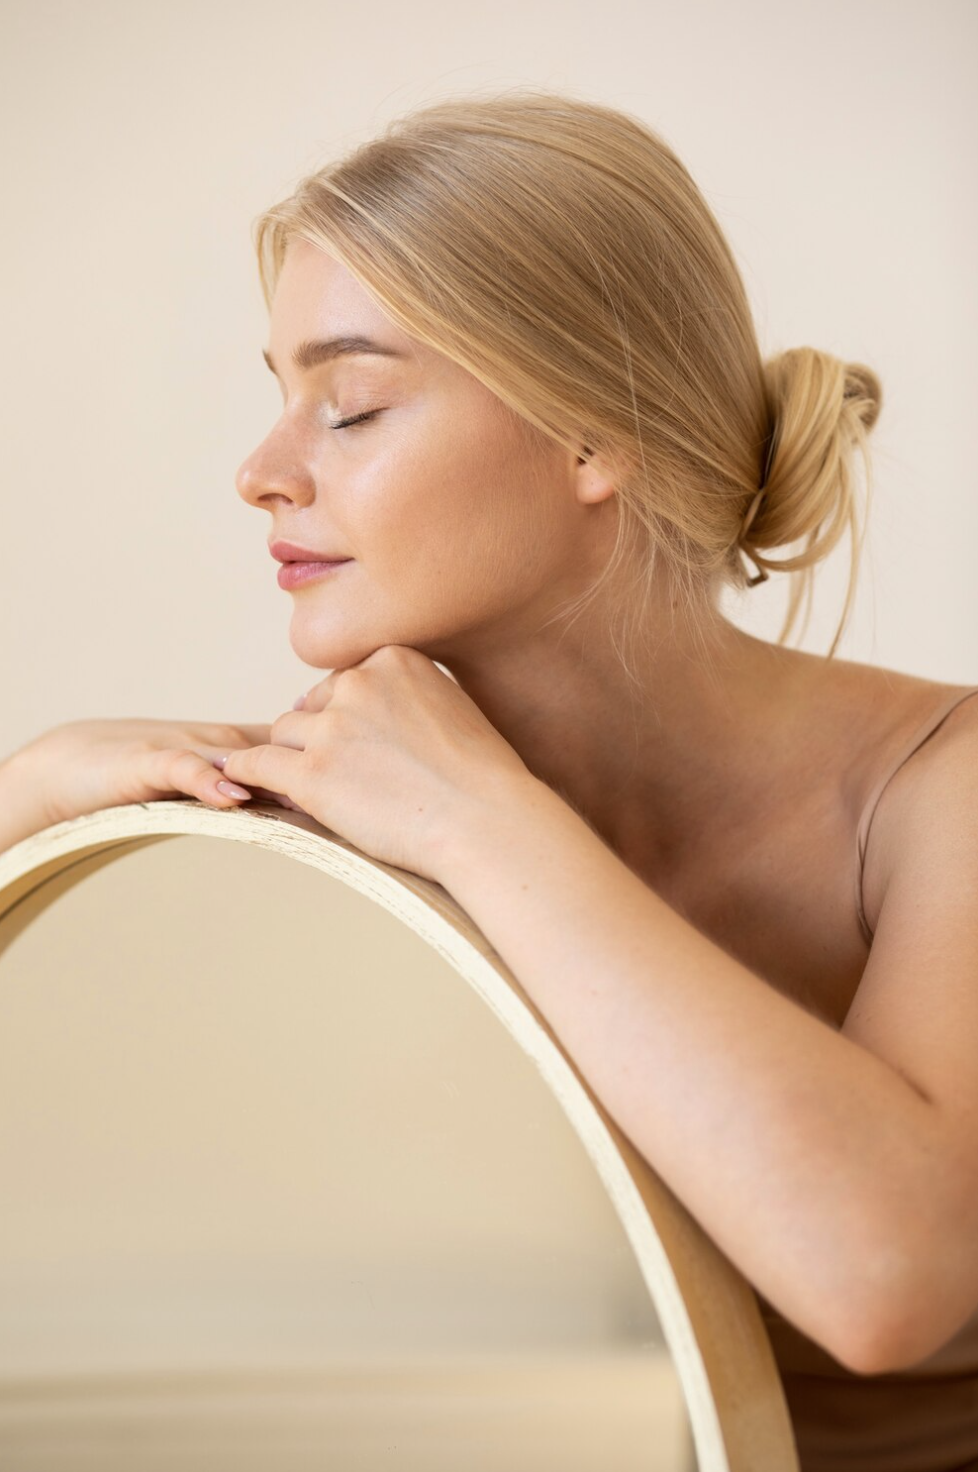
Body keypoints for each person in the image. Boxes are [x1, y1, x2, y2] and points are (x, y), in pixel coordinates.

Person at [2, 89, 976, 1469]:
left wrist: (487, 825)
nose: (261, 472)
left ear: (592, 432)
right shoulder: (336, 819)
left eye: (348, 406)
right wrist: (26, 794)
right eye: (277, 400)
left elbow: (883, 1285)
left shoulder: (943, 787)